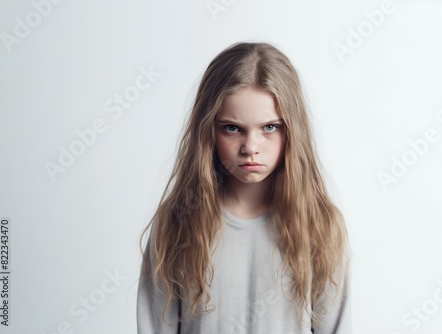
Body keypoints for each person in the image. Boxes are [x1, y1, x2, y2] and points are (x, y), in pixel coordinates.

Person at [136, 42, 352, 334]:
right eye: (233, 128)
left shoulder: (321, 226)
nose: (251, 147)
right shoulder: (175, 223)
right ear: (208, 130)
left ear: (293, 130)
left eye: (270, 127)